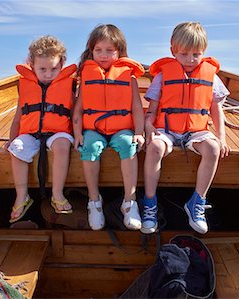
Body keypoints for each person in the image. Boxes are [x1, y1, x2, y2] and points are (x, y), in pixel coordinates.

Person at [143, 22, 231, 234]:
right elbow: (152, 109)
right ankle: (149, 202)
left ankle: (197, 201)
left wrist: (221, 138)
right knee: (154, 147)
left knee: (213, 149)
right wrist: (148, 127)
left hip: (196, 130)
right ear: (173, 50)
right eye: (184, 54)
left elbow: (216, 110)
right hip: (166, 129)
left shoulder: (212, 77)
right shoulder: (163, 76)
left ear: (204, 52)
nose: (190, 60)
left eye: (196, 54)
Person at [73, 24, 145, 231]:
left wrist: (139, 133)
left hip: (121, 129)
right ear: (91, 50)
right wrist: (78, 134)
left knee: (128, 145)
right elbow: (78, 110)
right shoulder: (87, 76)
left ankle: (129, 202)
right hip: (94, 129)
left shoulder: (128, 76)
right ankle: (94, 201)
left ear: (119, 52)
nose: (103, 55)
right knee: (89, 147)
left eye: (109, 51)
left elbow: (137, 108)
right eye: (98, 50)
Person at [7, 35, 77, 223]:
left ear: (62, 64)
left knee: (62, 146)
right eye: (42, 69)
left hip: (58, 132)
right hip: (31, 133)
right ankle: (22, 196)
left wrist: (79, 137)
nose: (48, 74)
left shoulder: (68, 86)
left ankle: (57, 194)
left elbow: (76, 116)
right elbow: (17, 119)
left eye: (54, 69)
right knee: (17, 148)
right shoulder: (26, 88)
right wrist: (10, 141)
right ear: (32, 65)